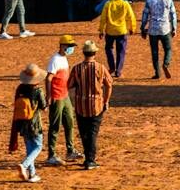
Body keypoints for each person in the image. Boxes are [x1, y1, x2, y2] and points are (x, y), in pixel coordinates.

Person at [67, 40, 112, 170]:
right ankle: (90, 160)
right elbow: (109, 84)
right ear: (95, 53)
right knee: (92, 133)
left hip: (81, 105)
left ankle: (88, 158)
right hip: (96, 105)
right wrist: (106, 100)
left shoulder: (77, 68)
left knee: (84, 133)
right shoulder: (101, 68)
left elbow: (69, 85)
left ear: (84, 53)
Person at [43, 36, 81, 168]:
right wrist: (49, 96)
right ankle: (51, 155)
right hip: (57, 97)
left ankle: (70, 151)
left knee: (69, 122)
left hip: (65, 96)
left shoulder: (64, 59)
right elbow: (48, 79)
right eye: (69, 46)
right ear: (62, 46)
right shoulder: (55, 60)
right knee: (55, 126)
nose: (71, 48)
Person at [9, 62, 47, 182]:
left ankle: (32, 174)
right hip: (34, 123)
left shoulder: (20, 89)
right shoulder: (38, 91)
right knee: (38, 146)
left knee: (29, 148)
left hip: (22, 123)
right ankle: (24, 165)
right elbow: (44, 107)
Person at [139, 0, 177, 79]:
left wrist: (143, 28)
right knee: (168, 49)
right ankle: (166, 64)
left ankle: (157, 73)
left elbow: (145, 15)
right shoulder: (169, 0)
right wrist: (174, 28)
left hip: (153, 29)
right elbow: (173, 15)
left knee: (154, 52)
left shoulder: (149, 0)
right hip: (165, 28)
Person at [97, 0, 136, 78]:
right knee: (121, 51)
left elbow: (103, 18)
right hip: (121, 31)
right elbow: (131, 16)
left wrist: (101, 30)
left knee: (108, 49)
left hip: (110, 31)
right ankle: (118, 71)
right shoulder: (125, 4)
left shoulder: (108, 4)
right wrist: (132, 28)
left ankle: (111, 67)